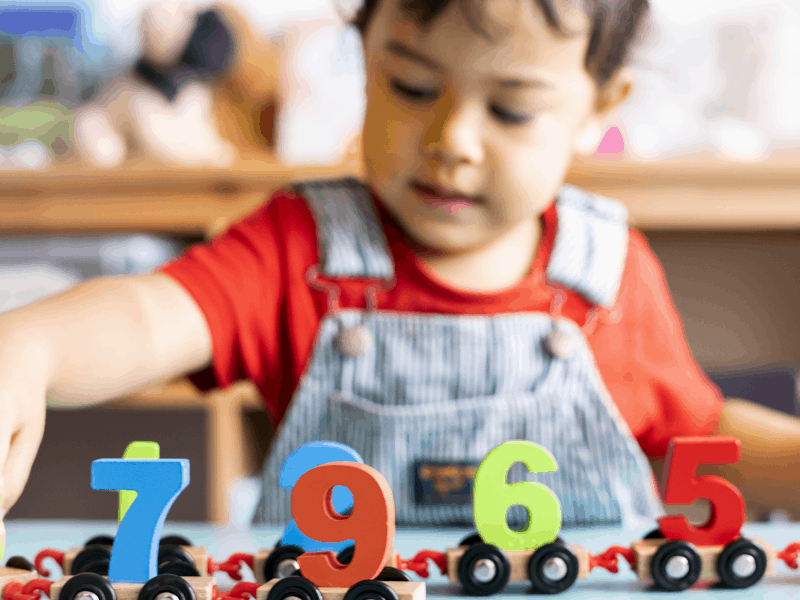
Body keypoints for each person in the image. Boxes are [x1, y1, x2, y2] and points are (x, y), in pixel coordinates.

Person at [1, 0, 799, 527]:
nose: (452, 138)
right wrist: (30, 349)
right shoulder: (300, 251)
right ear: (364, 57)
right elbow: (151, 314)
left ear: (600, 109)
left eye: (513, 109)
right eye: (411, 86)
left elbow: (695, 434)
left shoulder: (609, 274)